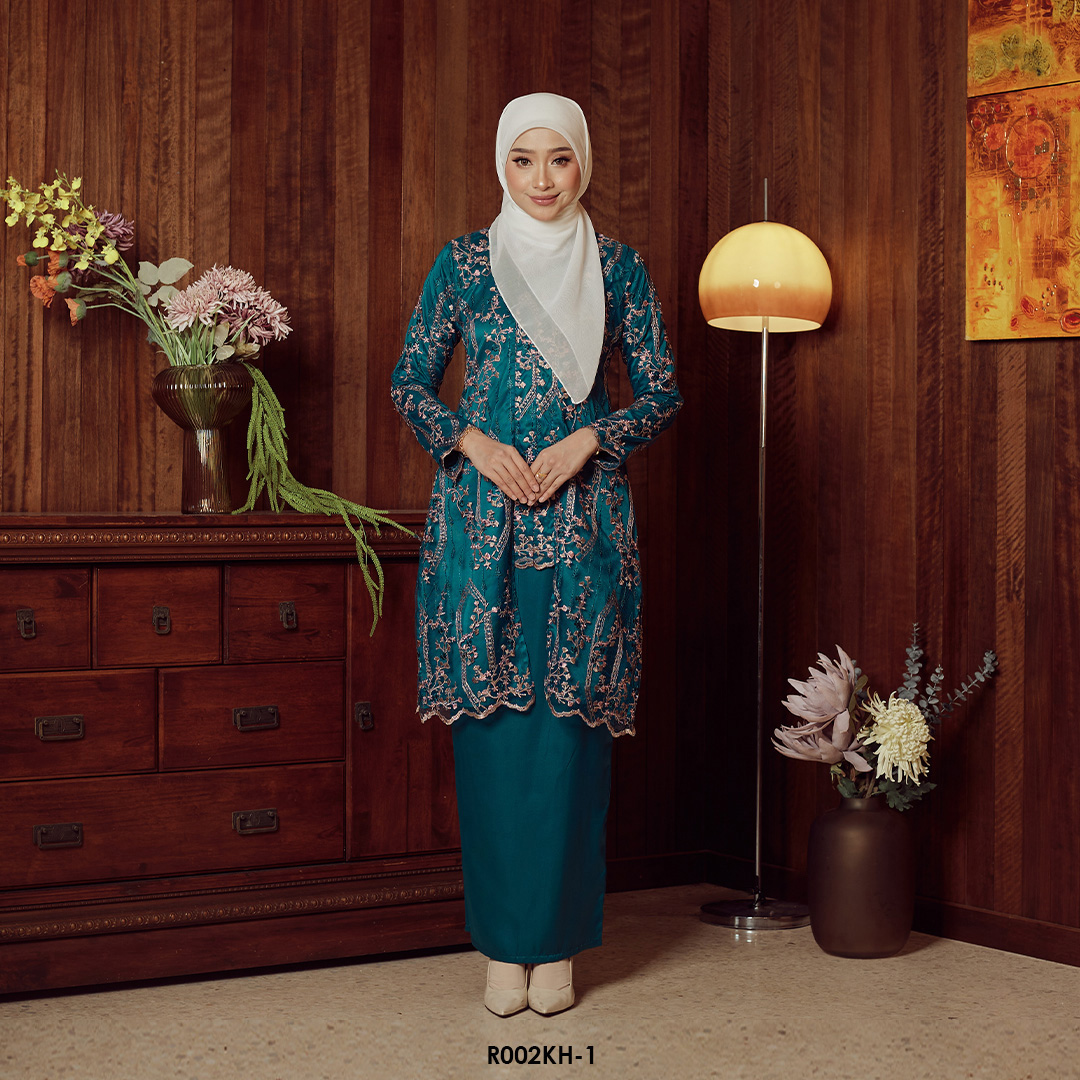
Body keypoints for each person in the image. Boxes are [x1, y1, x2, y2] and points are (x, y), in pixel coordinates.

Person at [391, 92, 681, 1016]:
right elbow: (409, 381)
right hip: (479, 531)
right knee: (491, 744)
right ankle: (500, 948)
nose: (543, 179)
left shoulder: (618, 267)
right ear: (501, 166)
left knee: (567, 741)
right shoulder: (464, 264)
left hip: (584, 527)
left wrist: (593, 438)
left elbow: (662, 391)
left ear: (583, 162)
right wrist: (471, 441)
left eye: (560, 159)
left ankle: (554, 948)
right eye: (524, 160)